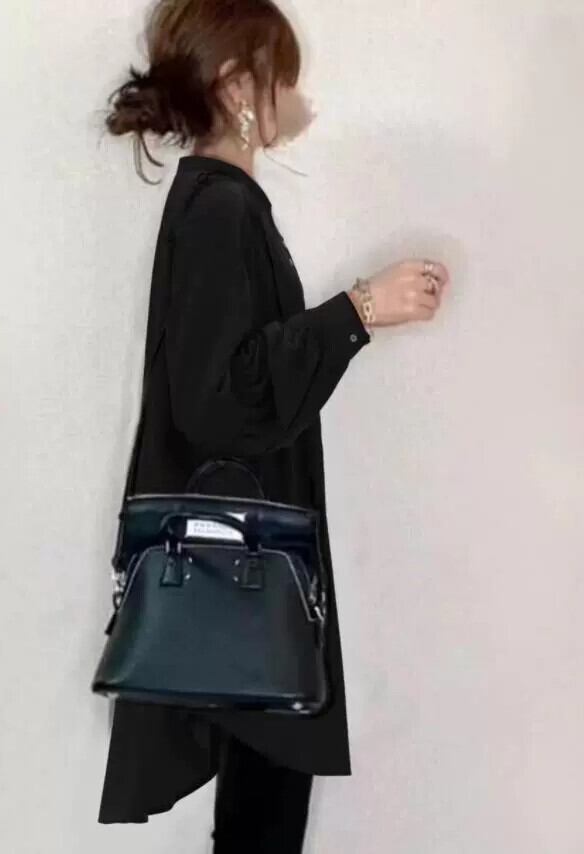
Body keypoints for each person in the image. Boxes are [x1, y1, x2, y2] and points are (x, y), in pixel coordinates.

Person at [95, 0, 450, 849]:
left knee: (260, 818)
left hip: (238, 578)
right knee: (263, 823)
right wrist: (361, 309)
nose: (299, 94)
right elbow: (220, 402)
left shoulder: (220, 204)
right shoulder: (221, 211)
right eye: (285, 75)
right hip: (248, 583)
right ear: (238, 87)